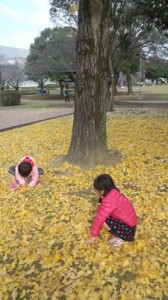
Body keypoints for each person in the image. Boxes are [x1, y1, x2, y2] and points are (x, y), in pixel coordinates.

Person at [86, 174, 137, 247]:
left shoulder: (109, 201)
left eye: (96, 191)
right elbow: (103, 208)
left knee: (103, 220)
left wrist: (93, 236)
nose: (96, 193)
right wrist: (98, 213)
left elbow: (100, 219)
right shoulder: (113, 192)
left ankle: (122, 238)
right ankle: (122, 234)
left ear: (102, 191)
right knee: (101, 216)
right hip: (131, 225)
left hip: (128, 230)